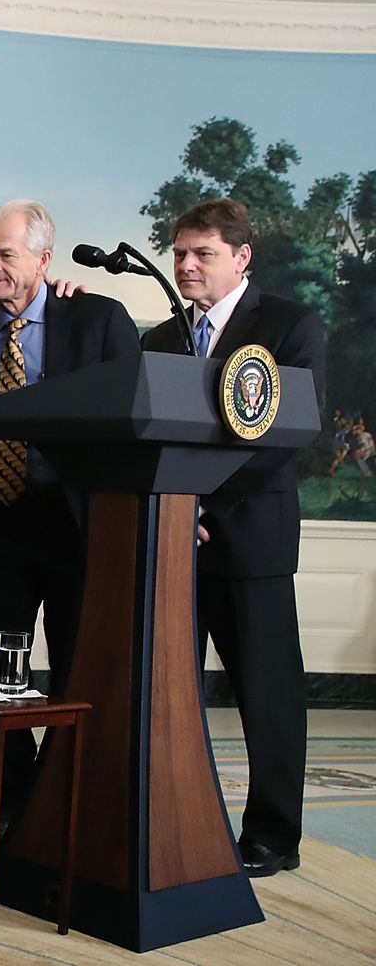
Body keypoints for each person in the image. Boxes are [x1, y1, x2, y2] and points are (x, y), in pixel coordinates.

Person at [140, 198, 324, 878]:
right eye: (180, 253)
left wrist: (204, 507)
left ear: (241, 258)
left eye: (203, 254)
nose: (186, 265)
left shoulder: (288, 326)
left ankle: (274, 836)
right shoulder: (161, 340)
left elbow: (291, 436)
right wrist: (175, 510)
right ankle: (172, 819)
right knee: (170, 696)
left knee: (268, 696)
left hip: (251, 545)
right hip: (172, 549)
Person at [0, 199, 138, 820]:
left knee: (79, 676)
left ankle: (66, 805)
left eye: (6, 255)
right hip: (0, 535)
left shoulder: (98, 321)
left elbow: (133, 423)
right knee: (2, 682)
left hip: (78, 533)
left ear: (45, 259)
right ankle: (11, 804)